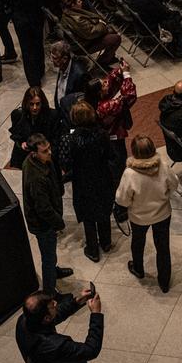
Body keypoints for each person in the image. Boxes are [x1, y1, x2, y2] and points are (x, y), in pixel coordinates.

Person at [116, 136, 179, 292]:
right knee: (163, 247)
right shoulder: (163, 166)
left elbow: (122, 199)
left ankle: (138, 268)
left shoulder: (129, 173)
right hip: (162, 214)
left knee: (138, 242)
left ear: (134, 152)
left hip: (139, 217)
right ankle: (164, 282)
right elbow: (174, 184)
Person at [16, 286, 103, 363]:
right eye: (52, 305)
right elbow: (91, 350)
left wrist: (76, 301)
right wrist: (96, 314)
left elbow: (54, 316)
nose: (56, 303)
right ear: (46, 318)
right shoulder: (55, 346)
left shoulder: (24, 321)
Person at [57, 101, 116, 262]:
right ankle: (106, 242)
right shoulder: (102, 134)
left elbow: (65, 163)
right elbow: (111, 156)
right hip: (102, 177)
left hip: (82, 181)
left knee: (88, 216)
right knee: (103, 211)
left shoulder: (68, 139)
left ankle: (93, 250)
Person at [21, 133, 73, 294]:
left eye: (49, 148)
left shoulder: (42, 162)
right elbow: (43, 209)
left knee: (51, 252)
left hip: (47, 217)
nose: (49, 152)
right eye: (45, 151)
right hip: (43, 224)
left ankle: (54, 272)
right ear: (34, 153)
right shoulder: (36, 177)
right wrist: (59, 222)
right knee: (48, 257)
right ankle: (49, 292)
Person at [0, 0, 48, 86]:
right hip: (36, 18)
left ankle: (33, 81)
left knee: (27, 51)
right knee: (38, 45)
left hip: (21, 21)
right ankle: (40, 70)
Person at [10, 87, 59, 169]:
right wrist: (21, 143)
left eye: (38, 104)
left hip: (45, 156)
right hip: (26, 156)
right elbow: (16, 134)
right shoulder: (18, 115)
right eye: (31, 104)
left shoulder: (52, 116)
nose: (35, 107)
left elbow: (55, 139)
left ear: (42, 103)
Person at [50, 42, 89, 111]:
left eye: (54, 58)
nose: (51, 60)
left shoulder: (80, 75)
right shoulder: (62, 65)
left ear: (64, 59)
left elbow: (82, 102)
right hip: (61, 109)